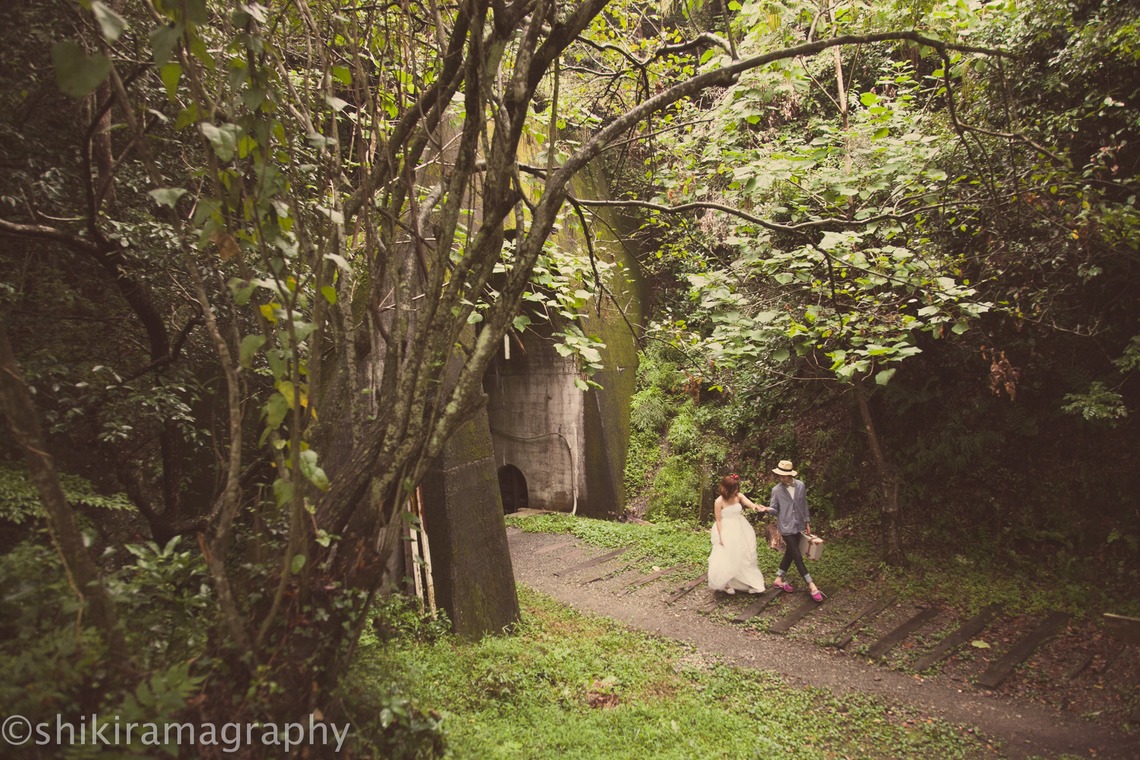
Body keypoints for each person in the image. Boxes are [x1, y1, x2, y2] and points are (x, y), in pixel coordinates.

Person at [760, 460, 824, 602]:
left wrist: (807, 521)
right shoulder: (776, 490)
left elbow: (804, 504)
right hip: (786, 526)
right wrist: (767, 509)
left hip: (799, 525)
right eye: (780, 476)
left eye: (785, 476)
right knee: (796, 554)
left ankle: (778, 578)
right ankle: (811, 585)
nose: (782, 478)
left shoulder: (800, 486)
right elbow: (775, 509)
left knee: (790, 552)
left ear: (790, 475)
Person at [707, 473, 767, 594]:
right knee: (727, 555)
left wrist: (757, 507)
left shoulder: (738, 496)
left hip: (740, 527)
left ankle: (749, 581)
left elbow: (749, 504)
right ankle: (726, 583)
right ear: (726, 489)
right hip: (726, 529)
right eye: (733, 489)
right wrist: (720, 536)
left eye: (736, 489)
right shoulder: (719, 502)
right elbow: (718, 520)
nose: (736, 491)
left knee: (743, 554)